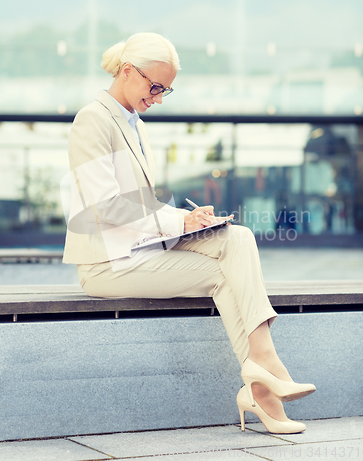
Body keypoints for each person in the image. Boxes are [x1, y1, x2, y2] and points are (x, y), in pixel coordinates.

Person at [63, 32, 315, 434]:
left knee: (239, 238)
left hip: (139, 251)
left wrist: (190, 219)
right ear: (128, 71)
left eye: (167, 90)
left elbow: (140, 207)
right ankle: (267, 377)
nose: (159, 97)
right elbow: (105, 207)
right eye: (156, 86)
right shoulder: (92, 119)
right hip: (105, 264)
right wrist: (179, 222)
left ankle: (261, 382)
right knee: (226, 272)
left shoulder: (135, 125)